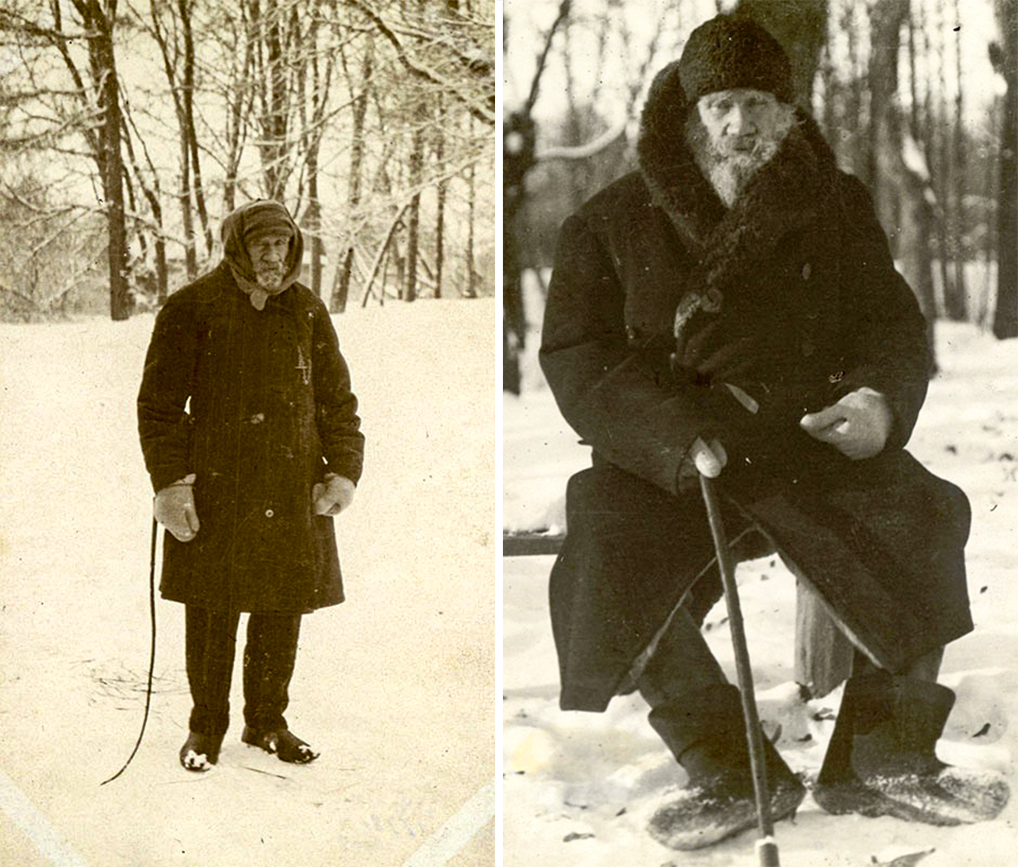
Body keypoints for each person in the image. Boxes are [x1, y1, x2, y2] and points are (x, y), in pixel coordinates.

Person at [539, 13, 1008, 851]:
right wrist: (671, 434)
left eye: (759, 102)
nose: (741, 124)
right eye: (722, 103)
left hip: (806, 441)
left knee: (921, 513)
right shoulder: (610, 220)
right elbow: (579, 356)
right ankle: (723, 761)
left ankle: (883, 754)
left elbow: (891, 327)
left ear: (788, 112)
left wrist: (876, 403)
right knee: (603, 550)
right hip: (673, 457)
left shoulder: (836, 205)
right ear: (690, 114)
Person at [138, 199, 364, 772]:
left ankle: (266, 722)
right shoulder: (192, 307)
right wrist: (170, 483)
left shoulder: (306, 309)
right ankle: (205, 728)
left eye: (282, 243)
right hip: (219, 486)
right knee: (214, 608)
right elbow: (159, 407)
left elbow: (336, 399)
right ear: (238, 245)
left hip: (292, 485)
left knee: (281, 607)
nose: (273, 254)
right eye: (262, 244)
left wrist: (343, 468)